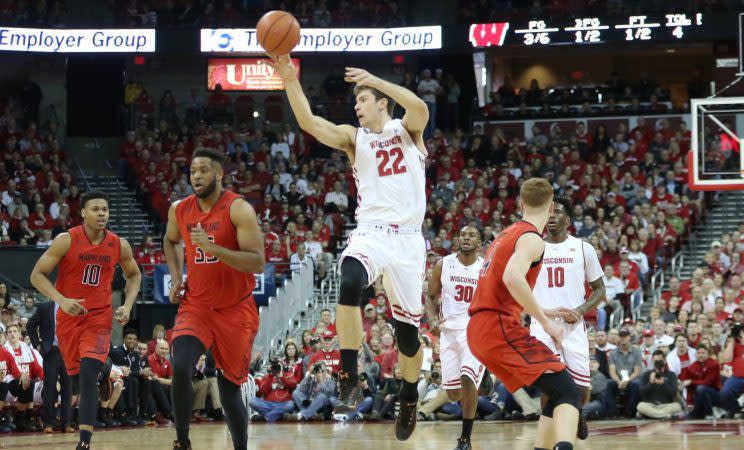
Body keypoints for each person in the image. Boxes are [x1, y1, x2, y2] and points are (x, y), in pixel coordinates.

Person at [271, 53, 430, 441]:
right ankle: (350, 376)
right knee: (349, 279)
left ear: (381, 103)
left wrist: (375, 78)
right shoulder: (352, 138)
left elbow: (419, 105)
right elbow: (309, 123)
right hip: (371, 231)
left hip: (409, 240)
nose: (356, 107)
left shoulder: (408, 130)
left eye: (363, 100)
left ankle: (409, 395)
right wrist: (290, 79)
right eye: (354, 101)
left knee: (408, 337)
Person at [468, 178, 580, 450]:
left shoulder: (507, 233)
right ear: (552, 208)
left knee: (556, 390)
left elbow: (503, 285)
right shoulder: (531, 238)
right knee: (568, 391)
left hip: (481, 328)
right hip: (497, 327)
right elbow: (512, 278)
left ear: (521, 204)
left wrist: (543, 310)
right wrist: (545, 323)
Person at [163, 148, 264, 450]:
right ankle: (182, 441)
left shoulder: (238, 209)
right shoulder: (179, 209)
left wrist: (215, 248)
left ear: (219, 174)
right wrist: (177, 275)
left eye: (204, 170)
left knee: (229, 387)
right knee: (180, 365)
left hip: (236, 310)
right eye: (193, 170)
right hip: (196, 306)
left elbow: (257, 262)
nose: (196, 176)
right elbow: (170, 240)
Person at [29, 190, 142, 449]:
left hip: (99, 316)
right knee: (78, 379)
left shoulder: (118, 244)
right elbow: (37, 275)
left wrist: (126, 304)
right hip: (69, 317)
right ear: (83, 213)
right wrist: (61, 299)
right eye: (95, 209)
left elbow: (134, 275)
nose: (101, 213)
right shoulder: (65, 240)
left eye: (105, 209)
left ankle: (84, 442)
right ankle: (105, 370)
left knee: (87, 375)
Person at [530, 196, 606, 440]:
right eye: (549, 212)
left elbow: (600, 289)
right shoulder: (532, 247)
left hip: (573, 326)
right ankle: (552, 438)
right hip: (543, 324)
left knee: (581, 389)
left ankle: (576, 411)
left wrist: (581, 310)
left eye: (558, 212)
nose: (552, 216)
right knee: (551, 386)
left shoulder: (583, 248)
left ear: (568, 220)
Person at [426, 225, 485, 450]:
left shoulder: (485, 268)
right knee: (452, 394)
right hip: (448, 332)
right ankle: (483, 375)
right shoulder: (444, 264)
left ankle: (465, 439)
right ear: (458, 240)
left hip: (474, 331)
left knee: (468, 378)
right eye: (463, 234)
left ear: (479, 243)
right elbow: (431, 296)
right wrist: (431, 319)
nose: (466, 238)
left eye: (472, 235)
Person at [27, 300, 73, 432]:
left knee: (68, 389)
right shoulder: (45, 306)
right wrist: (37, 344)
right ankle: (48, 423)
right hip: (51, 351)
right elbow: (30, 325)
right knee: (49, 388)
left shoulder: (72, 305)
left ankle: (67, 423)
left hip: (68, 352)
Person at [636, 350, 682, 419]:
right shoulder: (646, 374)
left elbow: (673, 393)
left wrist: (664, 384)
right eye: (655, 361)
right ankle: (663, 415)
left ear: (664, 360)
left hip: (666, 405)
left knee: (677, 406)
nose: (658, 363)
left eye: (660, 360)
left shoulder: (671, 375)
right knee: (640, 406)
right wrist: (650, 382)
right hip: (650, 405)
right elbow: (641, 392)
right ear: (652, 361)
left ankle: (653, 415)